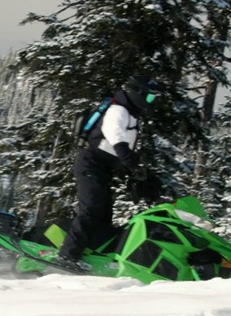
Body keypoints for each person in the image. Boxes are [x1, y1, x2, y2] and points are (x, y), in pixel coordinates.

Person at [58, 75, 162, 269]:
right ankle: (67, 256)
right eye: (149, 98)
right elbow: (117, 141)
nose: (150, 103)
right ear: (137, 93)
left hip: (103, 167)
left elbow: (123, 151)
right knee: (91, 208)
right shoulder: (117, 111)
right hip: (90, 162)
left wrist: (141, 173)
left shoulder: (130, 114)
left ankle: (92, 254)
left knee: (105, 214)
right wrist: (134, 168)